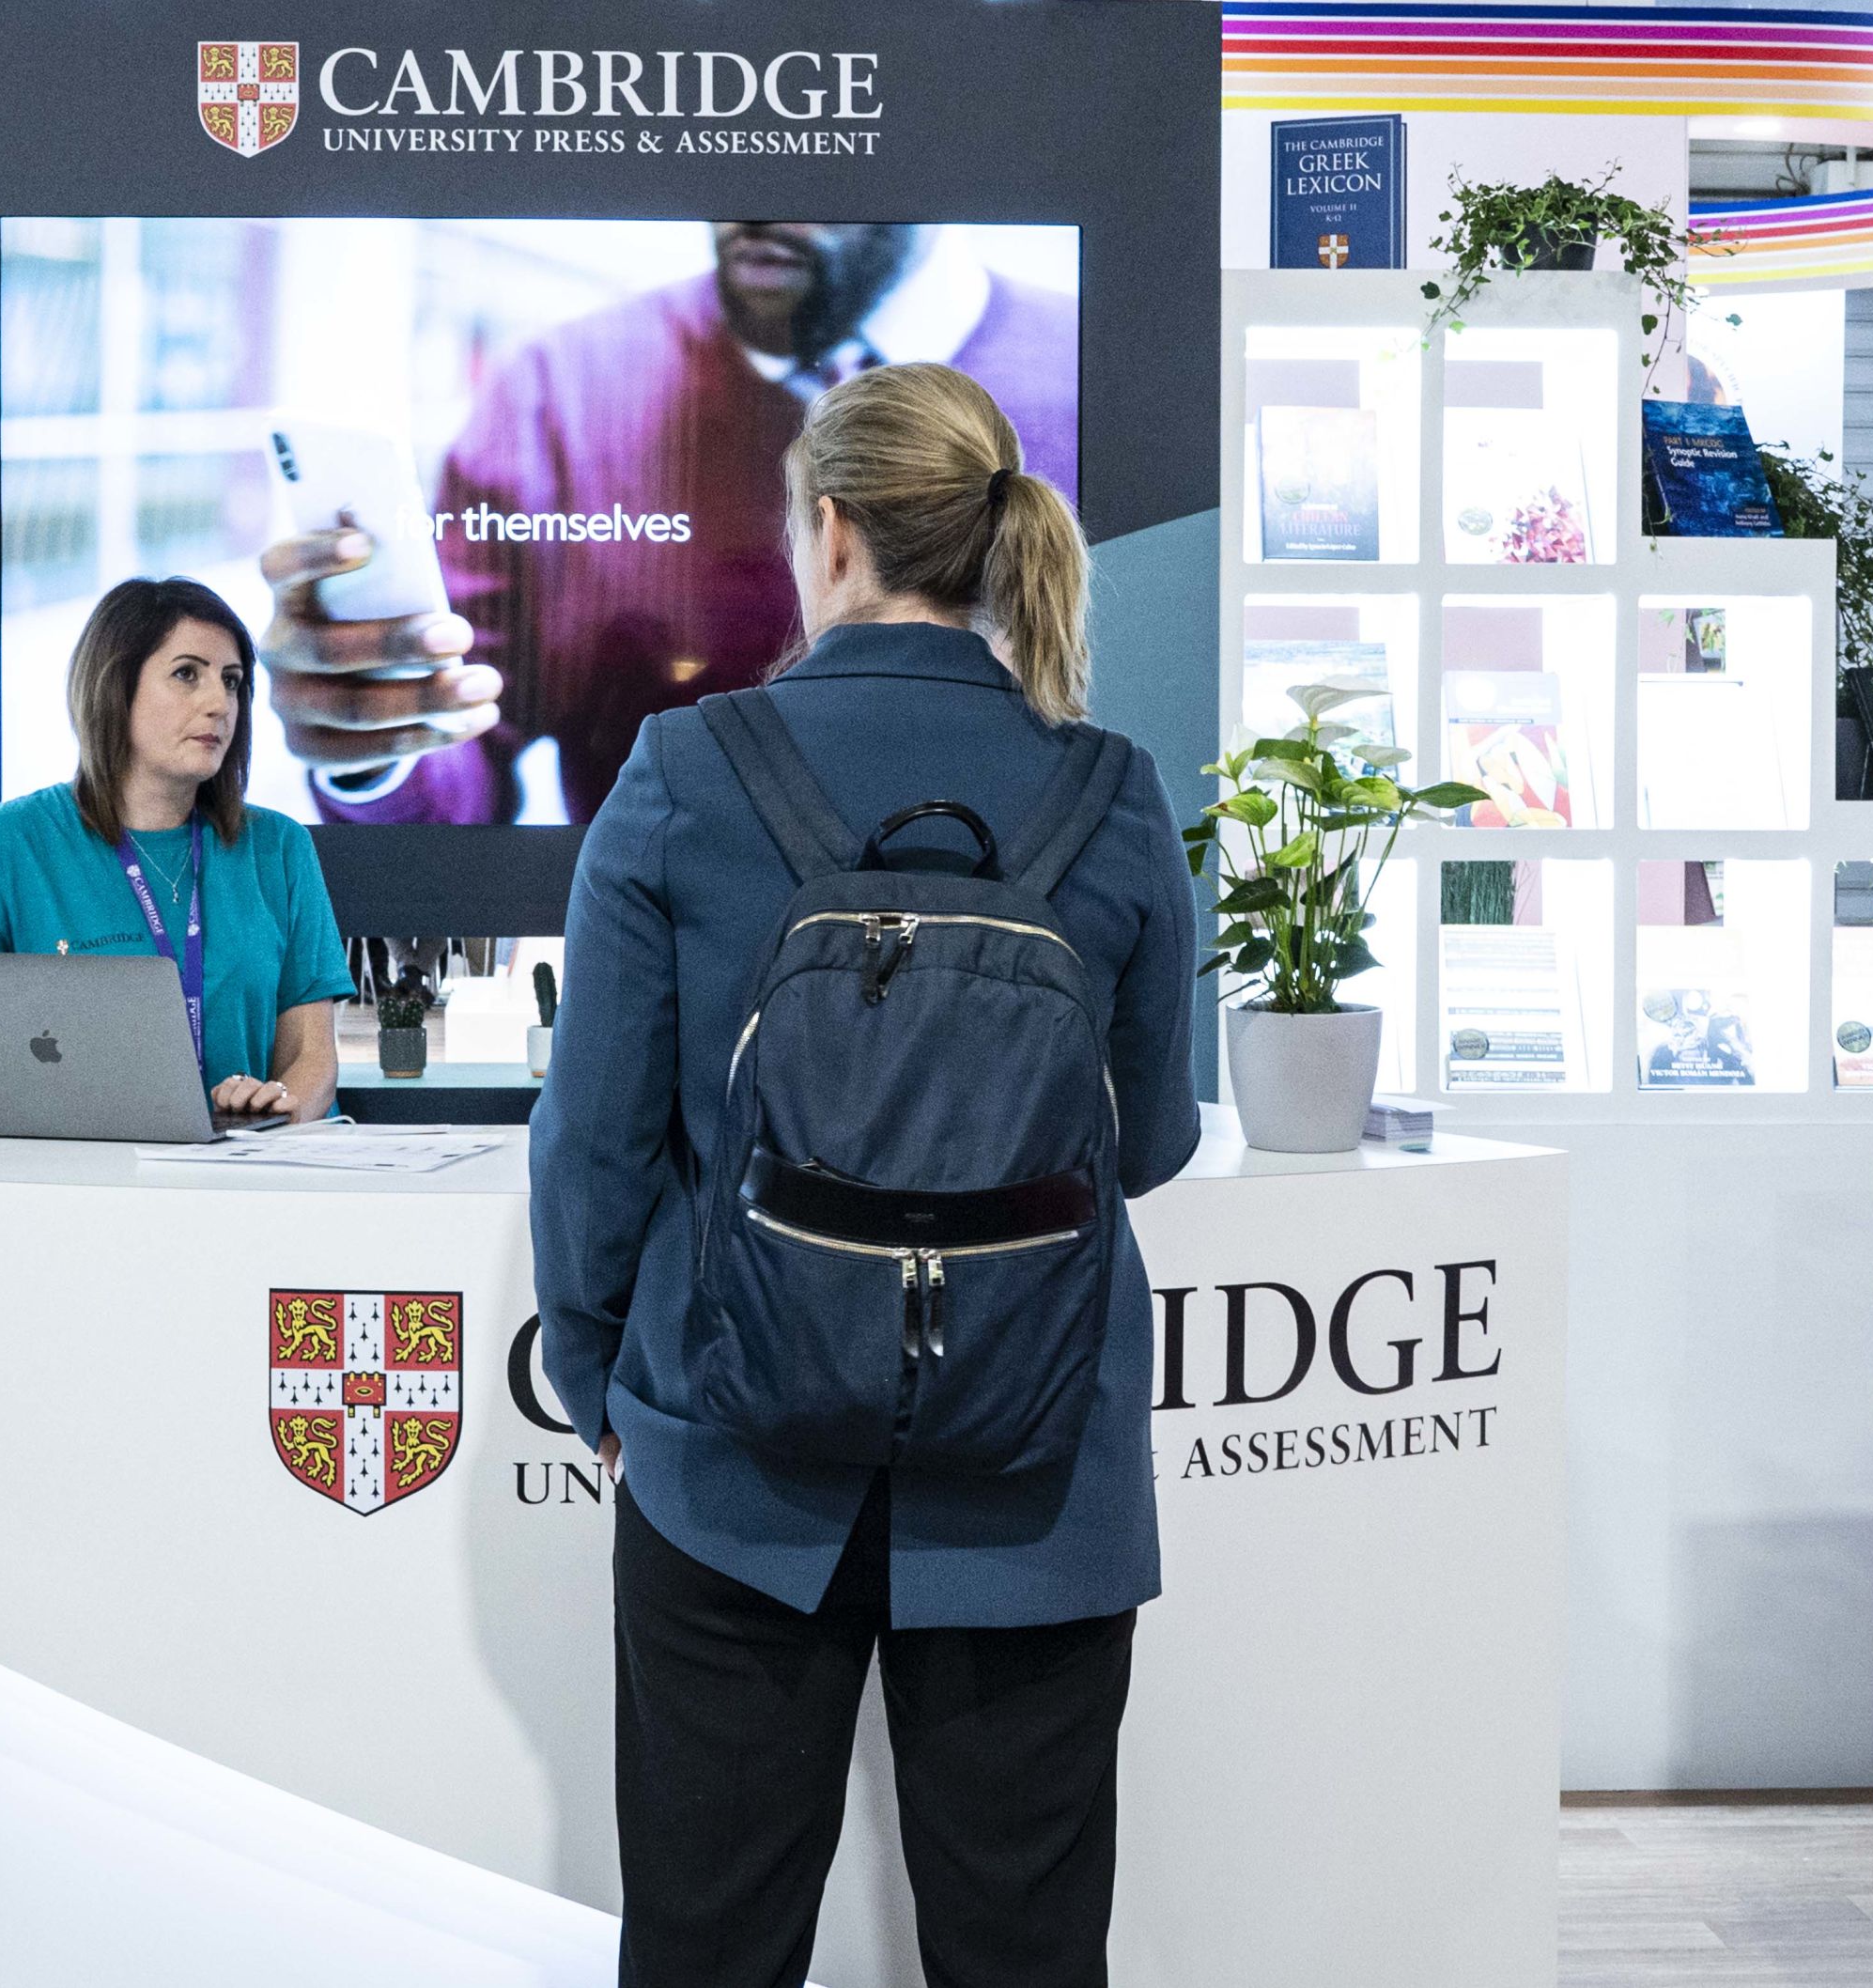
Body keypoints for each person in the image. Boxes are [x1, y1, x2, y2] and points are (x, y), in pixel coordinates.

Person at [530, 364, 1200, 1988]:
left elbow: (599, 1135)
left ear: (829, 531)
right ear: (990, 540)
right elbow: (1159, 1135)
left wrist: (595, 1371)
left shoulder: (687, 773)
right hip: (1036, 1474)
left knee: (707, 1944)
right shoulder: (1109, 789)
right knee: (1025, 1953)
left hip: (732, 1466)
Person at [258, 221, 1077, 830]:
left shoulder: (1092, 377)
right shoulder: (559, 396)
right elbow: (465, 754)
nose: (749, 212)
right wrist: (380, 742)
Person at [0, 576, 350, 1119]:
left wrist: (279, 1109)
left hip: (248, 1176)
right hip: (74, 1180)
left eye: (232, 681)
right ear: (114, 687)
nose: (220, 703)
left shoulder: (280, 848)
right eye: (187, 674)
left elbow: (313, 1058)